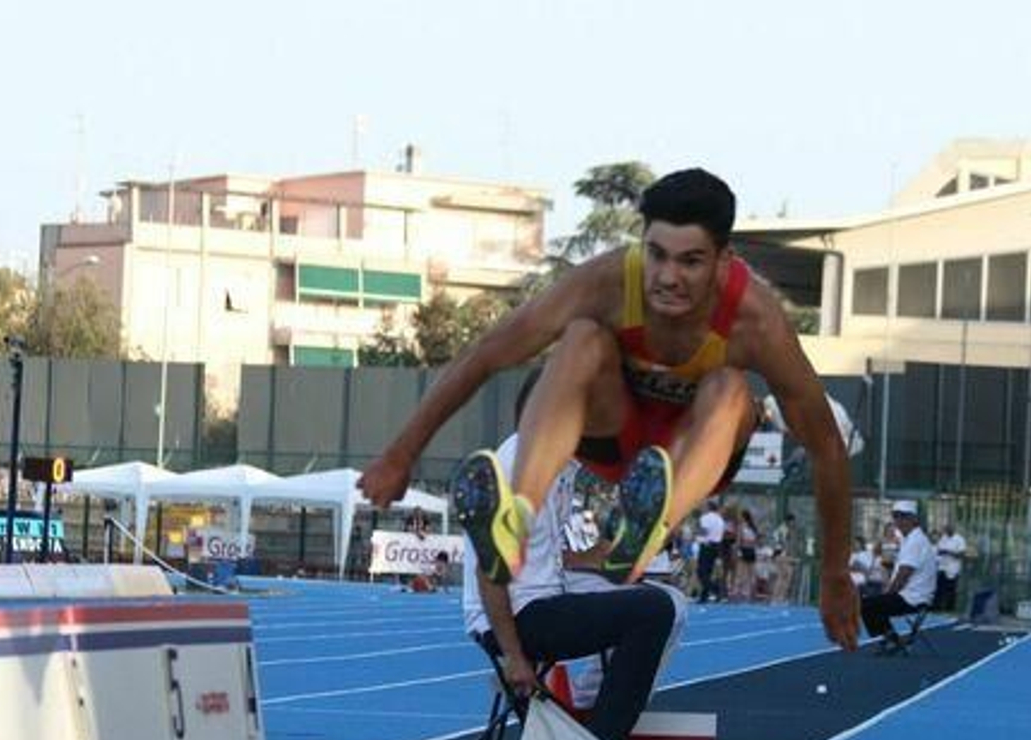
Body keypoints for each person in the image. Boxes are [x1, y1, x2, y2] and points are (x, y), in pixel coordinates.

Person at [358, 169, 858, 650]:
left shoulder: (757, 322)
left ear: (723, 260)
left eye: (690, 262)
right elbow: (491, 351)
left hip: (692, 449)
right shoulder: (608, 282)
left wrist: (835, 572)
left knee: (730, 388)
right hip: (615, 432)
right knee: (582, 337)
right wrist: (402, 453)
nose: (667, 278)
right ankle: (518, 514)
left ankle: (644, 534)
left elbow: (827, 448)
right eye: (657, 255)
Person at [458, 433, 680, 740]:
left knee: (672, 601)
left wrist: (591, 558)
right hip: (514, 615)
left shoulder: (563, 460)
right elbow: (488, 574)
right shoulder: (523, 470)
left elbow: (538, 553)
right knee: (653, 609)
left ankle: (590, 713)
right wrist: (515, 657)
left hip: (544, 592)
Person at [859, 500, 937, 655]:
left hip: (913, 598)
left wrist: (888, 594)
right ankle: (892, 639)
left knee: (866, 605)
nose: (898, 521)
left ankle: (893, 640)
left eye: (903, 517)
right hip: (912, 595)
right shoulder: (911, 539)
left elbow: (904, 573)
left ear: (914, 519)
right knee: (869, 603)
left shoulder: (915, 541)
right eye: (896, 517)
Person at [694, 500, 725, 602]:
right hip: (716, 546)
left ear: (708, 507)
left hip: (707, 545)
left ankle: (715, 589)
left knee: (701, 571)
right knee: (708, 571)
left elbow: (704, 531)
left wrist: (697, 534)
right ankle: (704, 595)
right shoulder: (720, 519)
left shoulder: (705, 518)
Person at [934, 521, 967, 614]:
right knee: (939, 589)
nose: (946, 530)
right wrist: (942, 552)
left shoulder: (960, 539)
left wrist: (948, 552)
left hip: (953, 568)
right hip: (942, 567)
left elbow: (961, 554)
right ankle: (937, 608)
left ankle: (950, 609)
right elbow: (938, 550)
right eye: (946, 529)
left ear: (953, 529)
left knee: (951, 590)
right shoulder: (943, 538)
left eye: (949, 528)